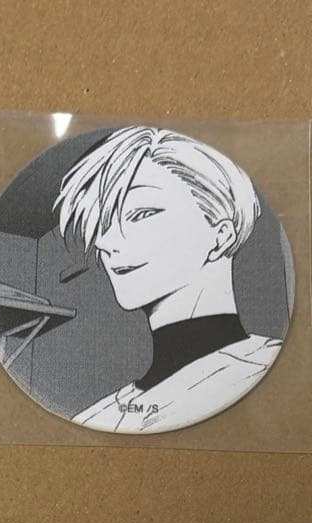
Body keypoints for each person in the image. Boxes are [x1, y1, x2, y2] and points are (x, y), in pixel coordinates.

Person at [54, 126, 283, 433]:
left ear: (221, 236)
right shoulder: (98, 416)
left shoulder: (271, 371)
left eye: (141, 214)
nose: (105, 242)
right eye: (102, 224)